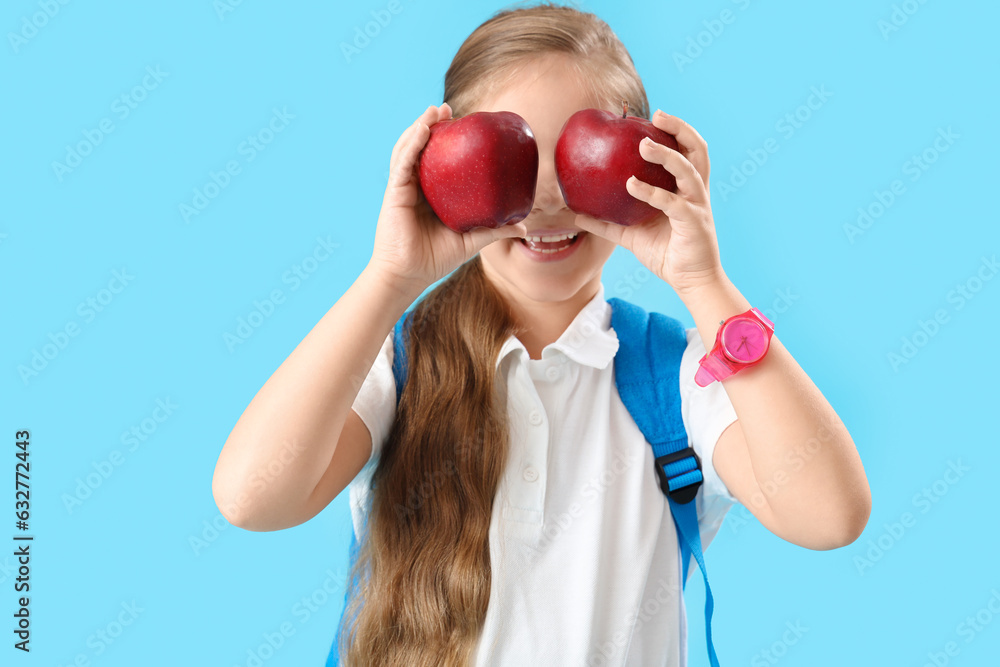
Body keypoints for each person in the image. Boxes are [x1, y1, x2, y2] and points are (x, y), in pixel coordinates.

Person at [211, 3, 872, 665]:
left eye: (580, 159)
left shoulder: (676, 375)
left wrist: (704, 281)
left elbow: (830, 515)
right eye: (515, 158)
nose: (548, 201)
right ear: (441, 167)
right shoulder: (396, 366)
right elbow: (253, 497)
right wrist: (390, 277)